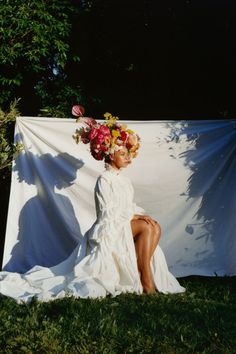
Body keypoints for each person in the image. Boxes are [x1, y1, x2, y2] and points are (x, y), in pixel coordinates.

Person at [0, 109, 185, 302]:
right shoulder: (104, 179)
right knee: (147, 227)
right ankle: (146, 280)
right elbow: (108, 213)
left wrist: (136, 215)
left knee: (154, 225)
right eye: (123, 154)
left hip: (121, 223)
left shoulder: (124, 181)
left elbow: (128, 206)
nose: (128, 157)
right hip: (109, 228)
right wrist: (134, 217)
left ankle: (142, 271)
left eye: (128, 153)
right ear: (111, 156)